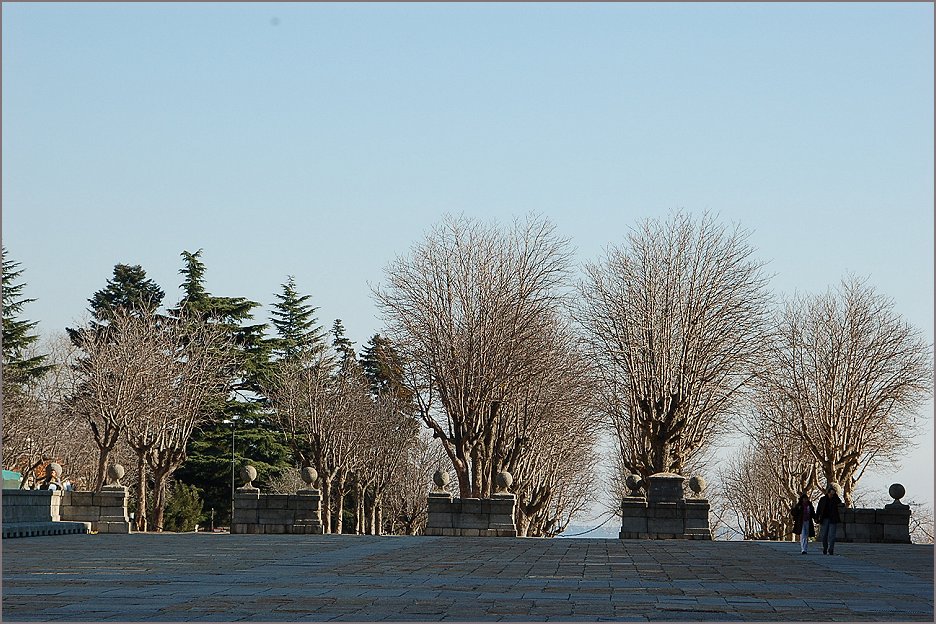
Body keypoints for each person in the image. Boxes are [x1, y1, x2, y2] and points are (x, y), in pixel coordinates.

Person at [816, 484, 843, 555]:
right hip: (824, 519)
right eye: (830, 494)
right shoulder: (823, 499)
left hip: (833, 519)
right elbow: (819, 509)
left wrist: (835, 496)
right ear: (828, 493)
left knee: (832, 535)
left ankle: (831, 549)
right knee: (824, 535)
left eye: (833, 494)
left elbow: (840, 503)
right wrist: (817, 517)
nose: (831, 495)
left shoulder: (835, 499)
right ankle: (825, 547)